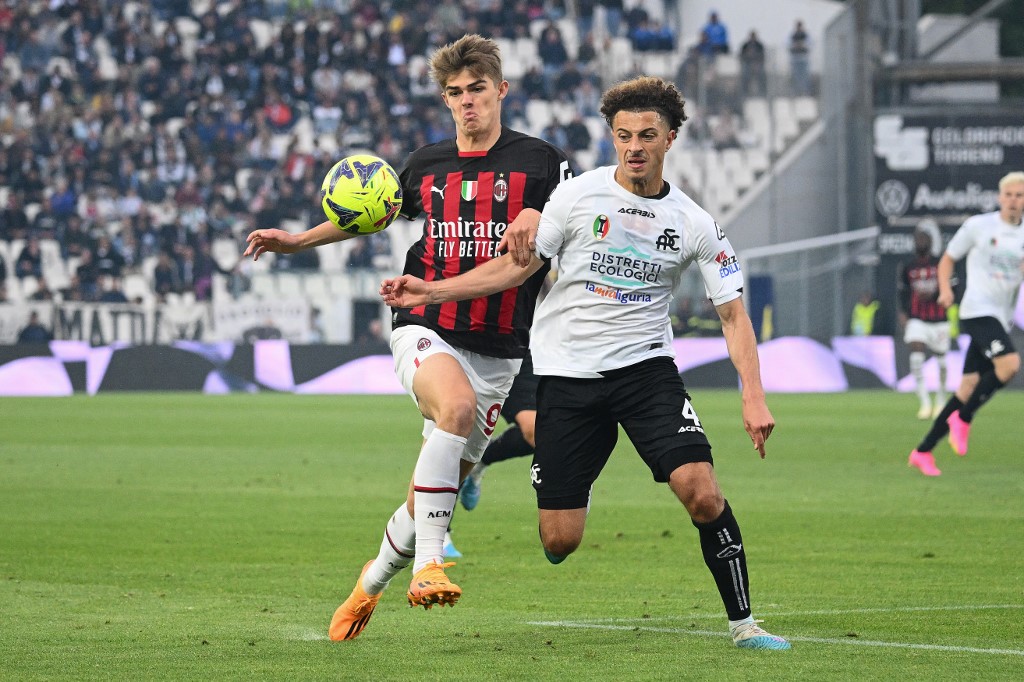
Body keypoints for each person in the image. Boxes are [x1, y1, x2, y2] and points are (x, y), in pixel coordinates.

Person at [381, 75, 790, 650]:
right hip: (567, 378)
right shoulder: (577, 197)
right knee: (558, 542)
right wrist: (433, 292)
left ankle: (745, 624)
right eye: (624, 135)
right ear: (612, 138)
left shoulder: (695, 222)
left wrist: (753, 395)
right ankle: (580, 476)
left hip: (647, 375)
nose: (635, 147)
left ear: (670, 139)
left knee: (701, 492)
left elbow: (734, 315)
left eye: (648, 135)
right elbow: (516, 269)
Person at [242, 34, 571, 641]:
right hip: (426, 321)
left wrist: (538, 215)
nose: (467, 102)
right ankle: (429, 566)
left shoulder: (543, 162)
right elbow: (367, 214)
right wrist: (296, 241)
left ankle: (370, 583)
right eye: (455, 93)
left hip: (501, 347)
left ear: (501, 90)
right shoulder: (426, 164)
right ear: (445, 101)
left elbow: (568, 215)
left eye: (477, 89)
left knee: (432, 494)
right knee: (455, 408)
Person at [908, 172, 1024, 477]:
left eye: (1020, 195)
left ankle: (923, 451)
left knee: (967, 387)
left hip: (1000, 317)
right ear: (1000, 197)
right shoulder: (979, 226)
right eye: (1009, 194)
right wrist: (945, 289)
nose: (1014, 200)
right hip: (976, 310)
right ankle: (964, 418)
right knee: (1009, 365)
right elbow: (947, 259)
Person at [458, 351, 539, 511]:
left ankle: (481, 460)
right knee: (455, 425)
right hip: (463, 349)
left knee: (540, 433)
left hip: (517, 352)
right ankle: (441, 529)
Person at [897, 223, 953, 420]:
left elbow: (952, 287)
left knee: (942, 363)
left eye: (924, 239)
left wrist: (935, 293)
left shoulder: (940, 264)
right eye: (918, 239)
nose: (921, 242)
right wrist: (903, 312)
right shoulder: (908, 266)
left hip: (938, 319)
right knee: (917, 355)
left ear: (931, 243)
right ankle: (924, 402)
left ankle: (940, 399)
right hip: (917, 318)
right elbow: (903, 291)